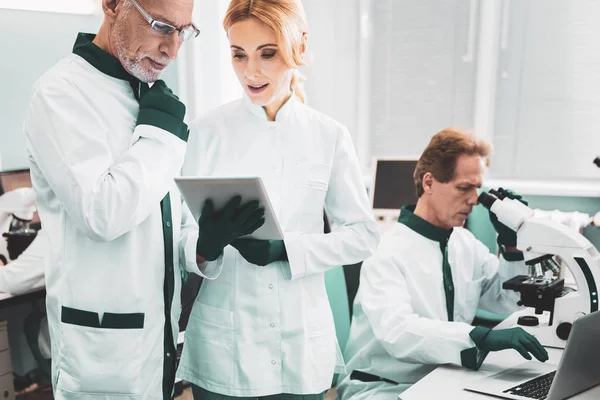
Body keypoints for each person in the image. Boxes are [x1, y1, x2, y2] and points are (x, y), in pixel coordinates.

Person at [23, 0, 263, 398]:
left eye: (183, 32)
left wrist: (202, 245)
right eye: (160, 26)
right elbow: (103, 212)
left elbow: (163, 221)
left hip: (158, 345)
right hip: (102, 357)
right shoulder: (59, 94)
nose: (173, 50)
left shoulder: (148, 94)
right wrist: (161, 135)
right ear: (113, 5)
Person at [177, 0, 380, 399]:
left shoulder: (329, 136)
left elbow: (363, 235)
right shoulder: (205, 132)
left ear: (299, 48)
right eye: (239, 55)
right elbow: (181, 232)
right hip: (224, 346)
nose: (251, 71)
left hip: (300, 344)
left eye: (267, 53)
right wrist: (203, 246)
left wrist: (286, 250)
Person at [336, 129, 549, 400]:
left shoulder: (464, 243)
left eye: (477, 189)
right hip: (383, 386)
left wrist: (511, 246)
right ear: (429, 183)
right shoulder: (386, 250)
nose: (473, 200)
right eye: (464, 187)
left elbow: (505, 300)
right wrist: (478, 336)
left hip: (443, 379)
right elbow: (398, 332)